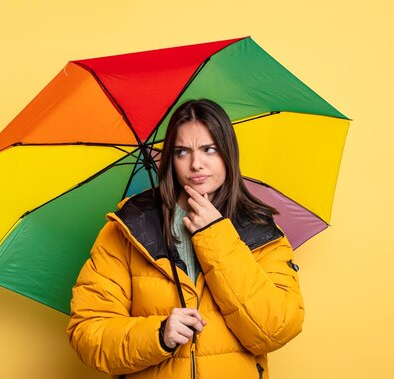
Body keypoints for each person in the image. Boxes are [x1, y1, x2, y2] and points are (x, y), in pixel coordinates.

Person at [67, 99, 304, 379]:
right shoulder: (128, 229)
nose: (196, 164)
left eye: (209, 149)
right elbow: (88, 334)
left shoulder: (260, 231)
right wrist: (158, 335)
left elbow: (275, 330)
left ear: (228, 154)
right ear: (170, 158)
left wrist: (215, 234)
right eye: (182, 152)